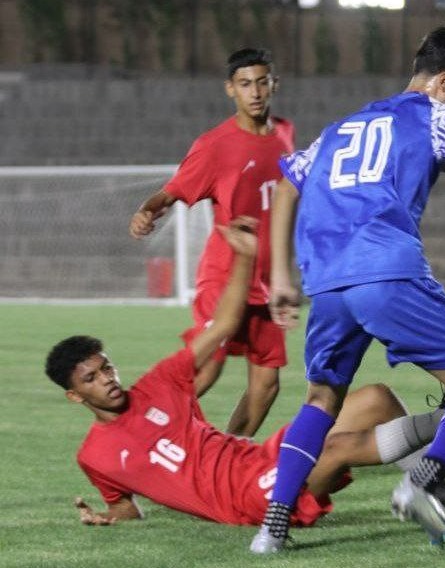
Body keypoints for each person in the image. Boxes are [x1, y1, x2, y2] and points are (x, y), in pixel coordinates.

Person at [251, 26, 445, 554]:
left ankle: (273, 527)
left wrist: (282, 275)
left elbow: (287, 185)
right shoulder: (429, 111)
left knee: (321, 399)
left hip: (328, 281)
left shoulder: (340, 127)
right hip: (387, 271)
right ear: (443, 81)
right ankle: (419, 483)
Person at [46, 217, 445, 528]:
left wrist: (245, 256)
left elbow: (221, 326)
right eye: (91, 379)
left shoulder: (158, 384)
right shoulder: (94, 457)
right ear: (74, 396)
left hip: (259, 458)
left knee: (376, 398)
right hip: (247, 499)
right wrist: (107, 518)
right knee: (336, 447)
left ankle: (432, 490)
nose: (107, 380)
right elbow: (125, 509)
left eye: (106, 368)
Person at [128, 48, 295, 438]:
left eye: (261, 82)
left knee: (267, 385)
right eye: (244, 84)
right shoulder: (215, 145)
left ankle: (231, 458)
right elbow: (170, 192)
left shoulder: (286, 133)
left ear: (274, 84)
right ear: (230, 90)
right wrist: (147, 210)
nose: (254, 92)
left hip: (268, 285)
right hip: (225, 277)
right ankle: (138, 439)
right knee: (206, 370)